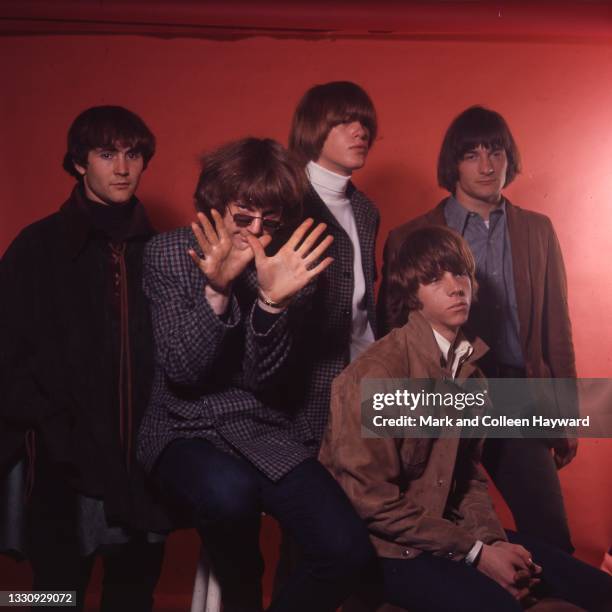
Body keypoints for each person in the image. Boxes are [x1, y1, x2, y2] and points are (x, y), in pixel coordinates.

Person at [320, 226, 612, 612]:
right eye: (434, 278)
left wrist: (493, 543)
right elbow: (372, 503)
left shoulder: (470, 373)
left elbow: (468, 479)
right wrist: (475, 554)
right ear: (412, 294)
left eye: (460, 273)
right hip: (386, 549)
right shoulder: (380, 374)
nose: (456, 287)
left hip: (445, 535)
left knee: (597, 589)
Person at [137, 137, 373, 612]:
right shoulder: (166, 253)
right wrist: (216, 290)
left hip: (263, 429)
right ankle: (242, 593)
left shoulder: (287, 267)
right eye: (243, 217)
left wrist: (270, 304)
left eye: (271, 220)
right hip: (184, 428)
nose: (256, 232)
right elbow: (183, 371)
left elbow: (266, 380)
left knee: (349, 555)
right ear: (214, 204)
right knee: (230, 493)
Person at [378, 106, 576, 553]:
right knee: (436, 537)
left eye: (497, 152)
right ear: (454, 163)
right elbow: (390, 332)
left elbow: (556, 329)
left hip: (515, 396)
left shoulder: (537, 231)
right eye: (472, 154)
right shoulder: (410, 236)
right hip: (440, 396)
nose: (488, 166)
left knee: (551, 535)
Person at [0, 106, 169, 611]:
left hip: (141, 463)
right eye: (106, 154)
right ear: (78, 163)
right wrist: (51, 426)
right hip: (61, 462)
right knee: (53, 593)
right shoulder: (36, 247)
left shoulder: (160, 251)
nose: (122, 168)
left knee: (133, 595)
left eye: (133, 154)